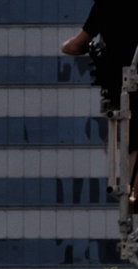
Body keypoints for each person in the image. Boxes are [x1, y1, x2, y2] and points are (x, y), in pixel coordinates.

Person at [65, 1, 138, 201]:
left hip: (121, 86)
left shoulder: (106, 5)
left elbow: (75, 45)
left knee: (130, 140)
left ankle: (132, 196)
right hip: (127, 85)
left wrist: (66, 46)